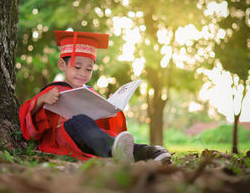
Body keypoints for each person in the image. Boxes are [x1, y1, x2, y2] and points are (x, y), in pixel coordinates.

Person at [19, 30, 171, 164]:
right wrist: (41, 100)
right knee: (80, 121)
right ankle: (114, 153)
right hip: (65, 138)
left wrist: (111, 106)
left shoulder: (90, 92)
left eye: (89, 69)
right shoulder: (53, 90)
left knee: (116, 142)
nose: (83, 73)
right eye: (77, 67)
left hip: (92, 139)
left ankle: (152, 152)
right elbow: (28, 120)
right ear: (62, 64)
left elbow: (104, 123)